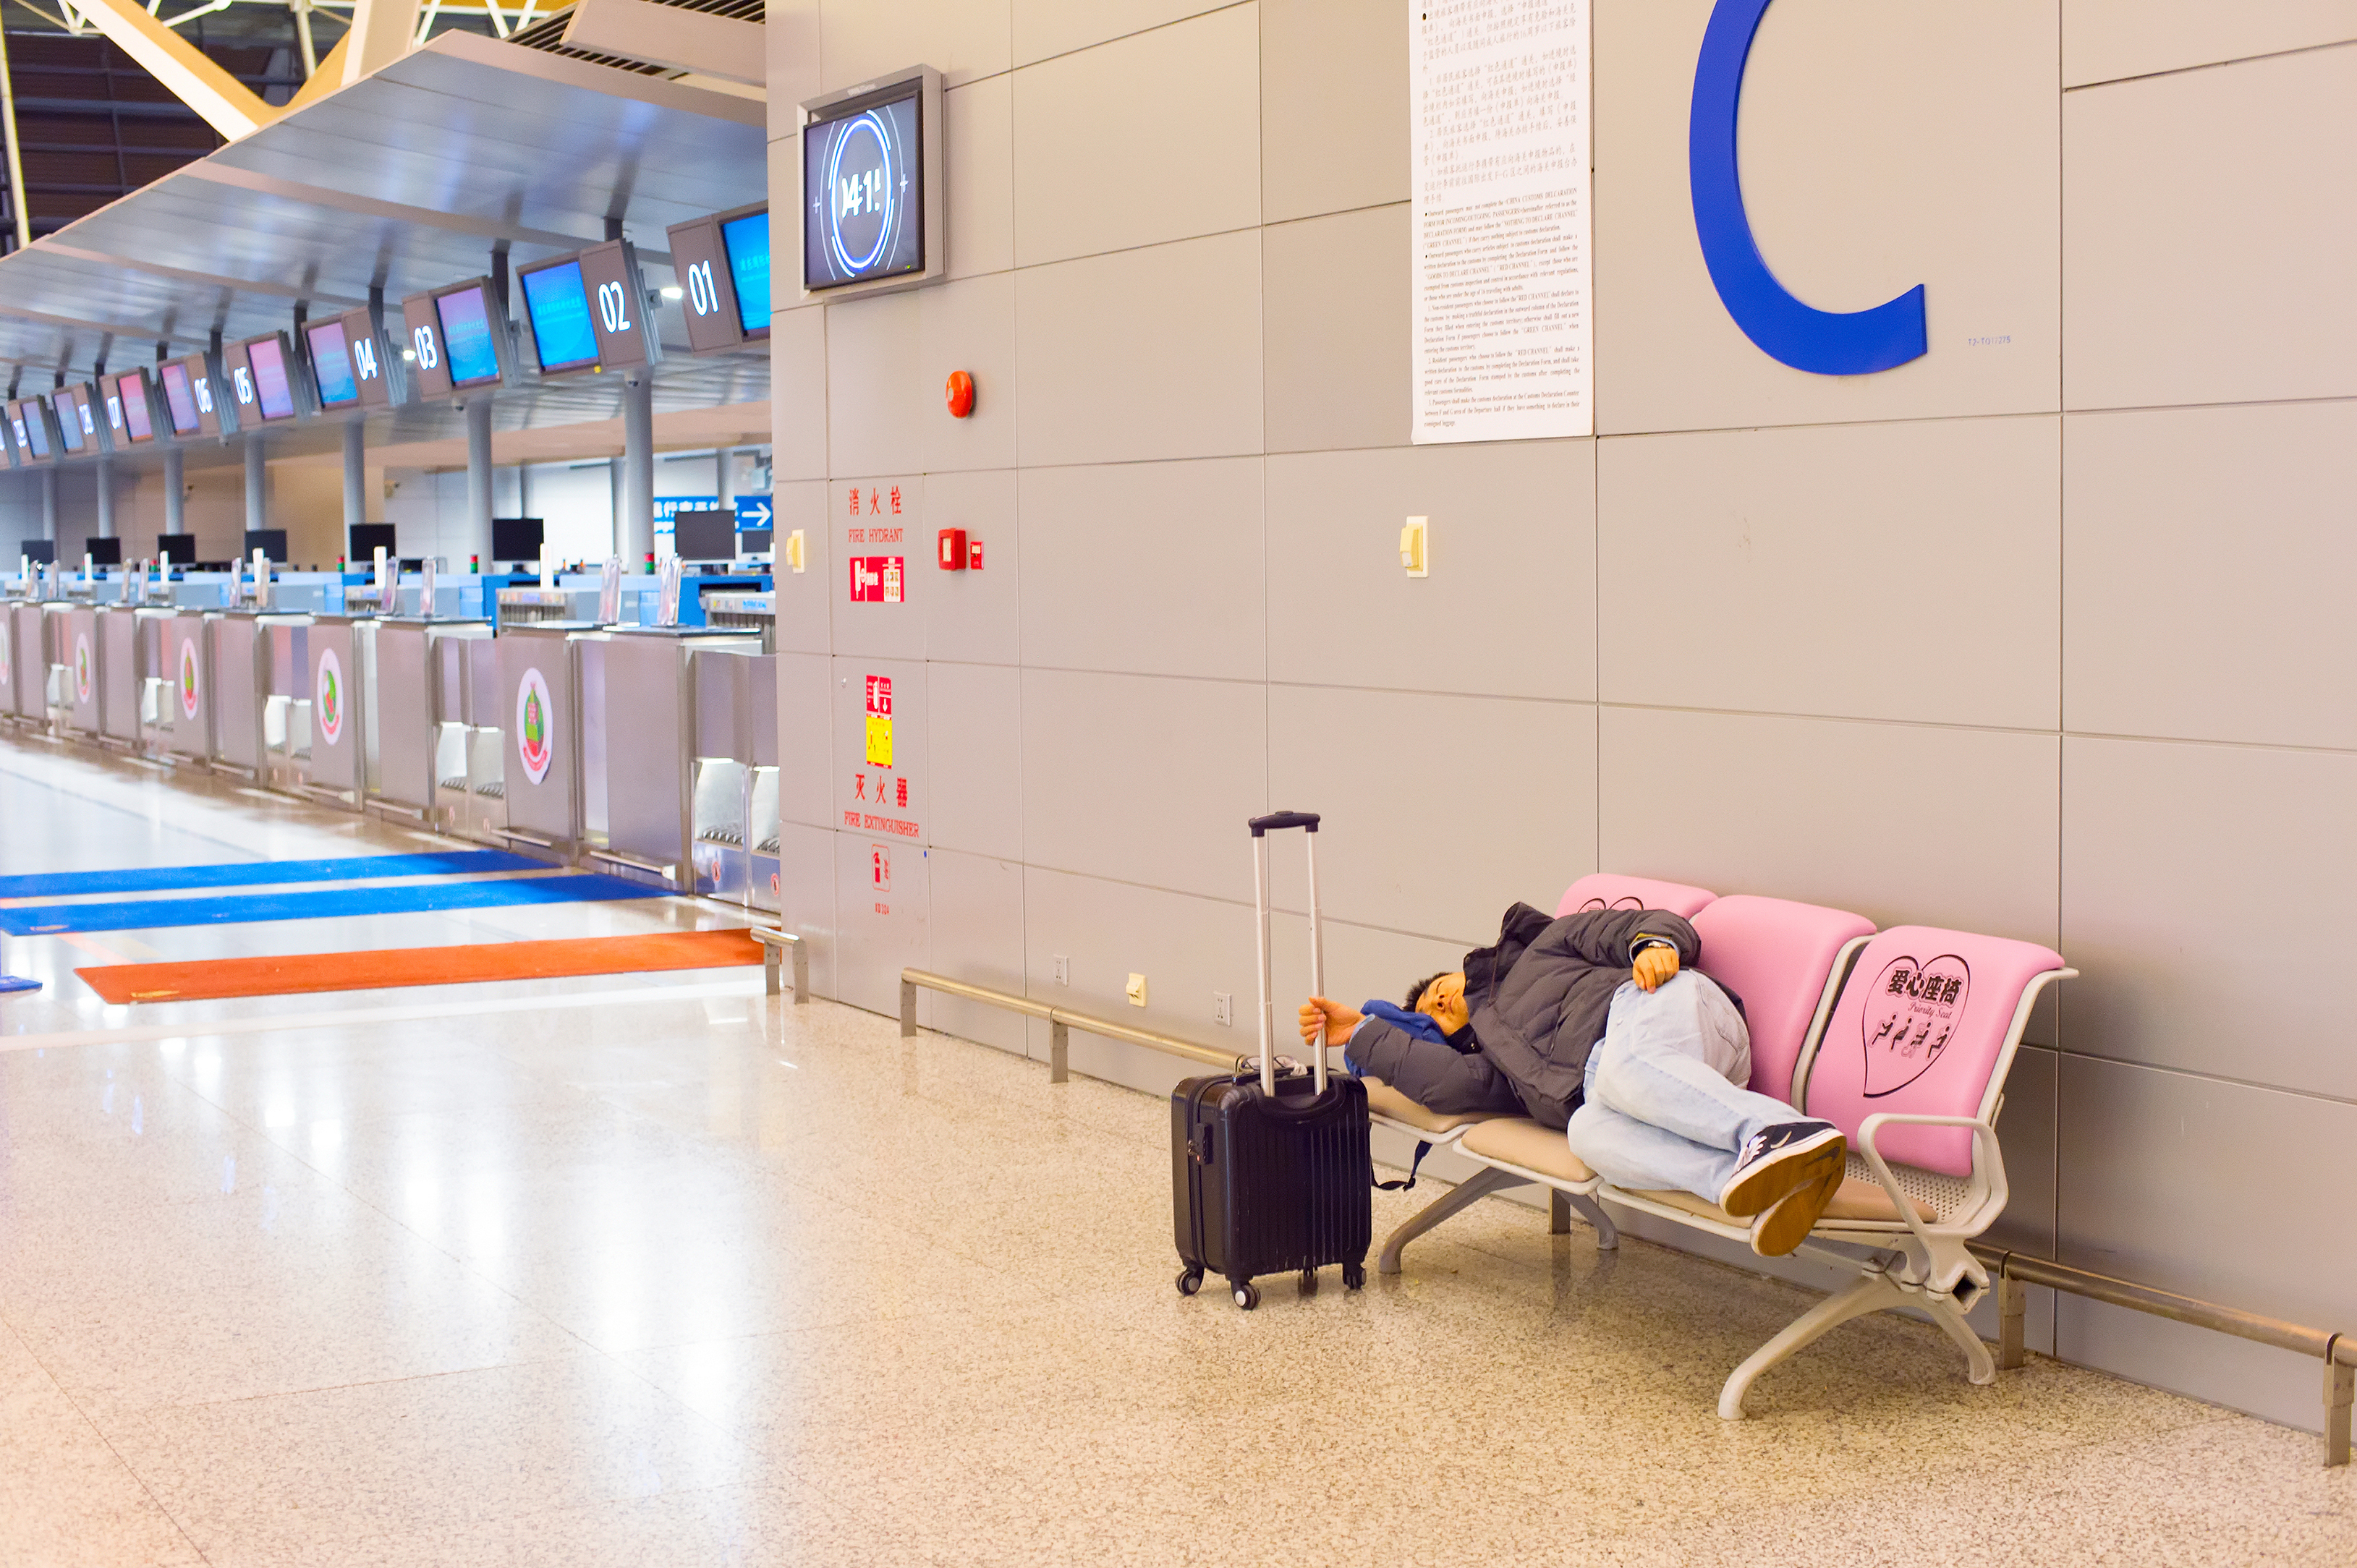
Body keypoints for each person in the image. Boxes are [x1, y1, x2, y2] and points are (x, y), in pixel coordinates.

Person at [1299, 902, 1847, 1256]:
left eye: (1441, 985)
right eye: (1436, 1012)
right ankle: (1760, 1184)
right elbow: (1446, 1086)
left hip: (1670, 1008)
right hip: (1641, 1086)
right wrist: (1364, 1032)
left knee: (1615, 1070)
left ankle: (1784, 1131)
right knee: (1589, 1133)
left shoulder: (1540, 946)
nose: (1442, 998)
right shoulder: (1499, 1066)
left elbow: (1637, 926)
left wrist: (1656, 946)